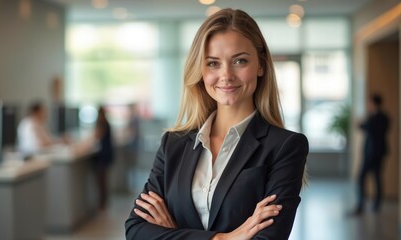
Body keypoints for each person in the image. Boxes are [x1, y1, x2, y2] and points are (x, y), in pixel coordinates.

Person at [125, 9, 308, 240]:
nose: (226, 75)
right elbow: (135, 230)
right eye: (213, 63)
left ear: (261, 66)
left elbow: (268, 237)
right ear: (200, 71)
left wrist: (172, 234)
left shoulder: (285, 146)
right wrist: (224, 238)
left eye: (240, 61)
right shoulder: (173, 144)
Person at [355, 94, 389, 214]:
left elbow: (366, 126)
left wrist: (362, 123)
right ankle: (372, 205)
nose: (368, 105)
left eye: (369, 103)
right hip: (374, 152)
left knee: (366, 178)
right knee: (375, 178)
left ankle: (364, 205)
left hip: (373, 153)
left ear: (374, 103)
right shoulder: (379, 117)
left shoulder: (379, 118)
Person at [94, 106, 114, 210]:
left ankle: (102, 204)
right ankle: (103, 202)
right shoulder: (106, 123)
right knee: (103, 180)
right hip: (107, 154)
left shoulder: (102, 124)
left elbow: (96, 136)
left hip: (103, 156)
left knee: (102, 180)